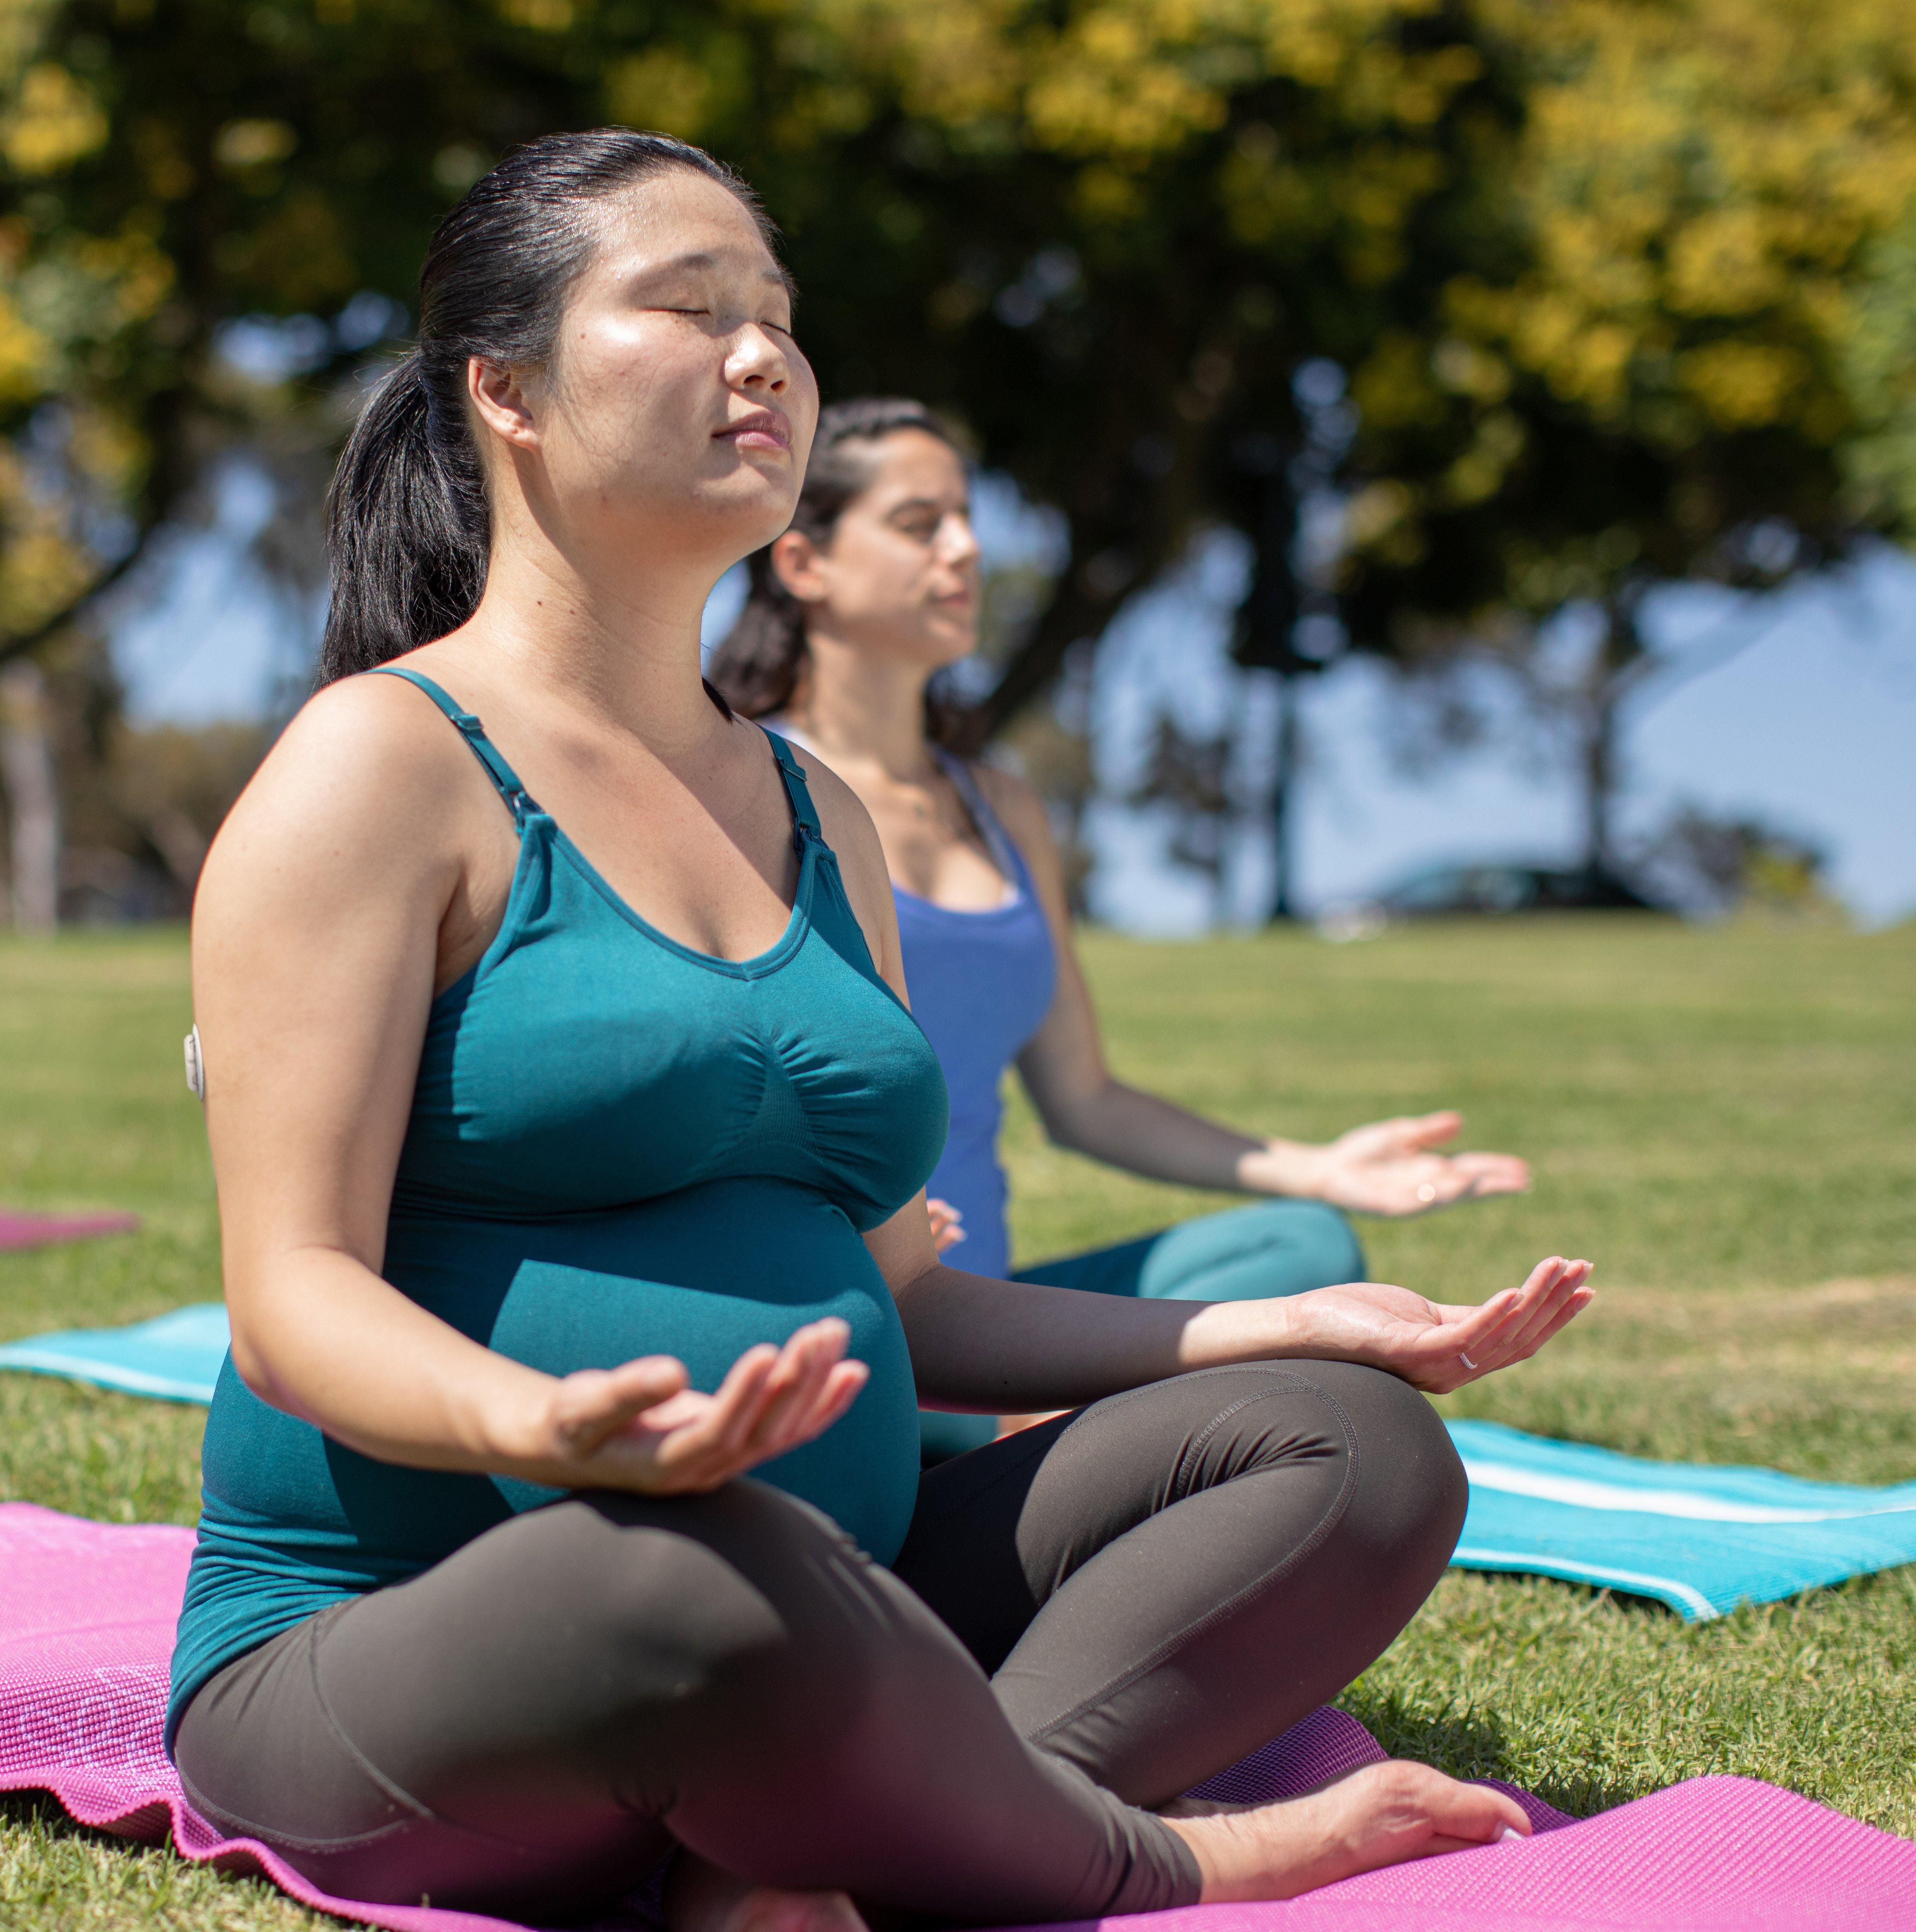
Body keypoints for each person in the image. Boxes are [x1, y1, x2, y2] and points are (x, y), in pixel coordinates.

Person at [176, 130, 1594, 1932]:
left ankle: (814, 1852)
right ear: (506, 390)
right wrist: (548, 1428)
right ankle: (1137, 1855)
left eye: (777, 316)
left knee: (1352, 1444)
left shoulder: (817, 810)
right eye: (688, 310)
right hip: (432, 1639)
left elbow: (903, 1299)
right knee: (697, 1574)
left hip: (827, 1602)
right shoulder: (380, 768)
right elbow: (292, 1301)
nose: (762, 355)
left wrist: (1276, 1322)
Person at [713, 398, 1533, 1456]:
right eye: (920, 523)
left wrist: (1319, 1165)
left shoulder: (1001, 807)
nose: (965, 548)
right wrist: (863, 1228)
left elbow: (1086, 1097)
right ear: (804, 563)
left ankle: (1043, 1418)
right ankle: (1042, 1428)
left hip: (991, 1302)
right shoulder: (745, 788)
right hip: (848, 1301)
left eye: (966, 518)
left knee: (1302, 1242)